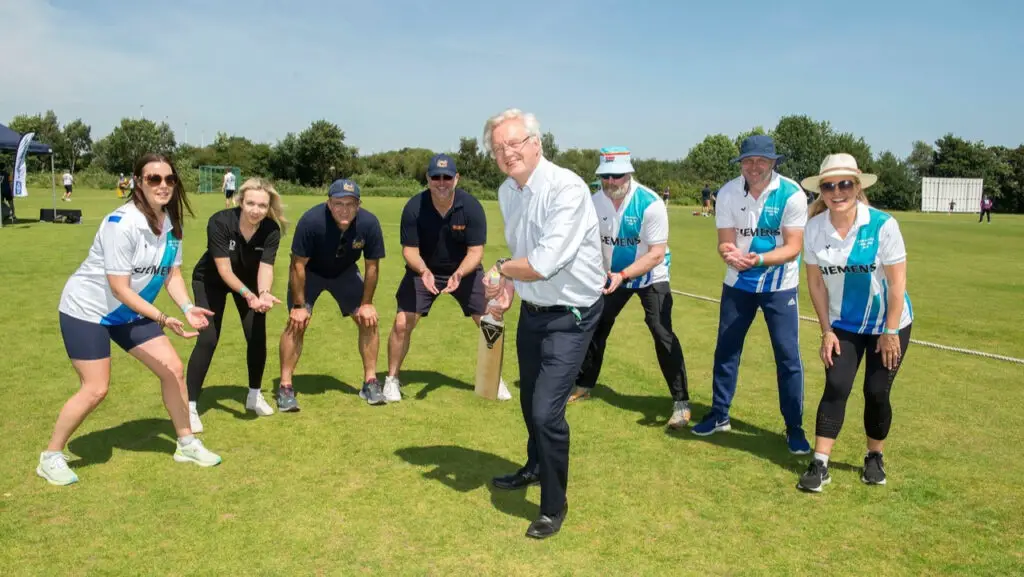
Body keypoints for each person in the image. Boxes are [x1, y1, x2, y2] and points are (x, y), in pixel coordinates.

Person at [37, 153, 222, 486]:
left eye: (169, 179)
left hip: (131, 311)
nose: (163, 185)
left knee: (173, 370)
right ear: (139, 182)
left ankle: (186, 443)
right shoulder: (121, 224)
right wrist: (163, 318)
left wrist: (186, 307)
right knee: (96, 389)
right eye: (154, 179)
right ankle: (50, 456)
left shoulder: (171, 223)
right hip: (88, 310)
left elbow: (172, 272)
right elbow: (119, 289)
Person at [483, 108, 605, 540]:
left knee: (546, 412)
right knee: (529, 399)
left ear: (537, 143)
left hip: (572, 314)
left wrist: (501, 269)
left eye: (515, 143)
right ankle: (535, 466)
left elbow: (543, 262)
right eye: (498, 148)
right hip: (535, 309)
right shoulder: (506, 191)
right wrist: (509, 287)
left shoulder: (567, 188)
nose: (507, 153)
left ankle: (554, 505)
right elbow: (523, 251)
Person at [796, 154, 913, 492]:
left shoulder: (882, 224)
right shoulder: (815, 228)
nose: (837, 191)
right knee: (836, 384)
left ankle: (874, 456)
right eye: (829, 186)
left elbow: (897, 282)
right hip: (843, 322)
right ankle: (820, 464)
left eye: (844, 184)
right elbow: (815, 283)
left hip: (888, 322)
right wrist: (826, 331)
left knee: (876, 391)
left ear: (857, 185)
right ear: (821, 191)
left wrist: (891, 331)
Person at [691, 135, 811, 455]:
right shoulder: (729, 191)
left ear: (773, 163)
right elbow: (725, 240)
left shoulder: (792, 194)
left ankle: (794, 426)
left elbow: (793, 247)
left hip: (779, 285)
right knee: (726, 350)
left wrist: (757, 259)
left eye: (761, 161)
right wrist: (728, 253)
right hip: (738, 283)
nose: (754, 167)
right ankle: (719, 414)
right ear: (741, 163)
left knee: (787, 357)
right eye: (748, 161)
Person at [569, 146, 691, 429]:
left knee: (661, 331)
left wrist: (623, 274)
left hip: (650, 274)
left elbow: (656, 253)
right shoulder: (592, 201)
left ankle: (681, 403)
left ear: (630, 174)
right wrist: (600, 273)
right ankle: (584, 384)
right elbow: (587, 244)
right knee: (597, 325)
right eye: (605, 177)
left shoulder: (650, 203)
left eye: (617, 176)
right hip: (611, 275)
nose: (611, 182)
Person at [383, 153, 511, 401]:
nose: (441, 182)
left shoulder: (471, 206)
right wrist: (424, 271)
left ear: (456, 178)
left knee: (490, 322)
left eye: (447, 177)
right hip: (423, 271)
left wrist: (459, 274)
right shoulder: (414, 207)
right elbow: (409, 249)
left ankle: (494, 380)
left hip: (465, 271)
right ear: (428, 178)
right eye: (436, 177)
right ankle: (391, 380)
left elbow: (476, 251)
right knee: (401, 323)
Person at [186, 178, 288, 433]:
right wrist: (248, 295)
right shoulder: (220, 222)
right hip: (210, 280)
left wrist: (263, 293)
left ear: (269, 207)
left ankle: (254, 395)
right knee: (208, 338)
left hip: (250, 284)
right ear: (240, 201)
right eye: (251, 203)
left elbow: (266, 267)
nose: (256, 210)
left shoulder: (271, 231)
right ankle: (189, 406)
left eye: (262, 205)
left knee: (256, 337)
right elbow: (223, 269)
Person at [277, 178, 386, 410]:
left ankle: (370, 382)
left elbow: (372, 267)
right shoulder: (311, 221)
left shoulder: (369, 223)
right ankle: (285, 387)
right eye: (338, 203)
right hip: (310, 272)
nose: (344, 209)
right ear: (328, 203)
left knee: (369, 320)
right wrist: (298, 306)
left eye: (350, 204)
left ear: (359, 205)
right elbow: (297, 265)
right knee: (297, 323)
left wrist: (367, 303)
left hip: (344, 273)